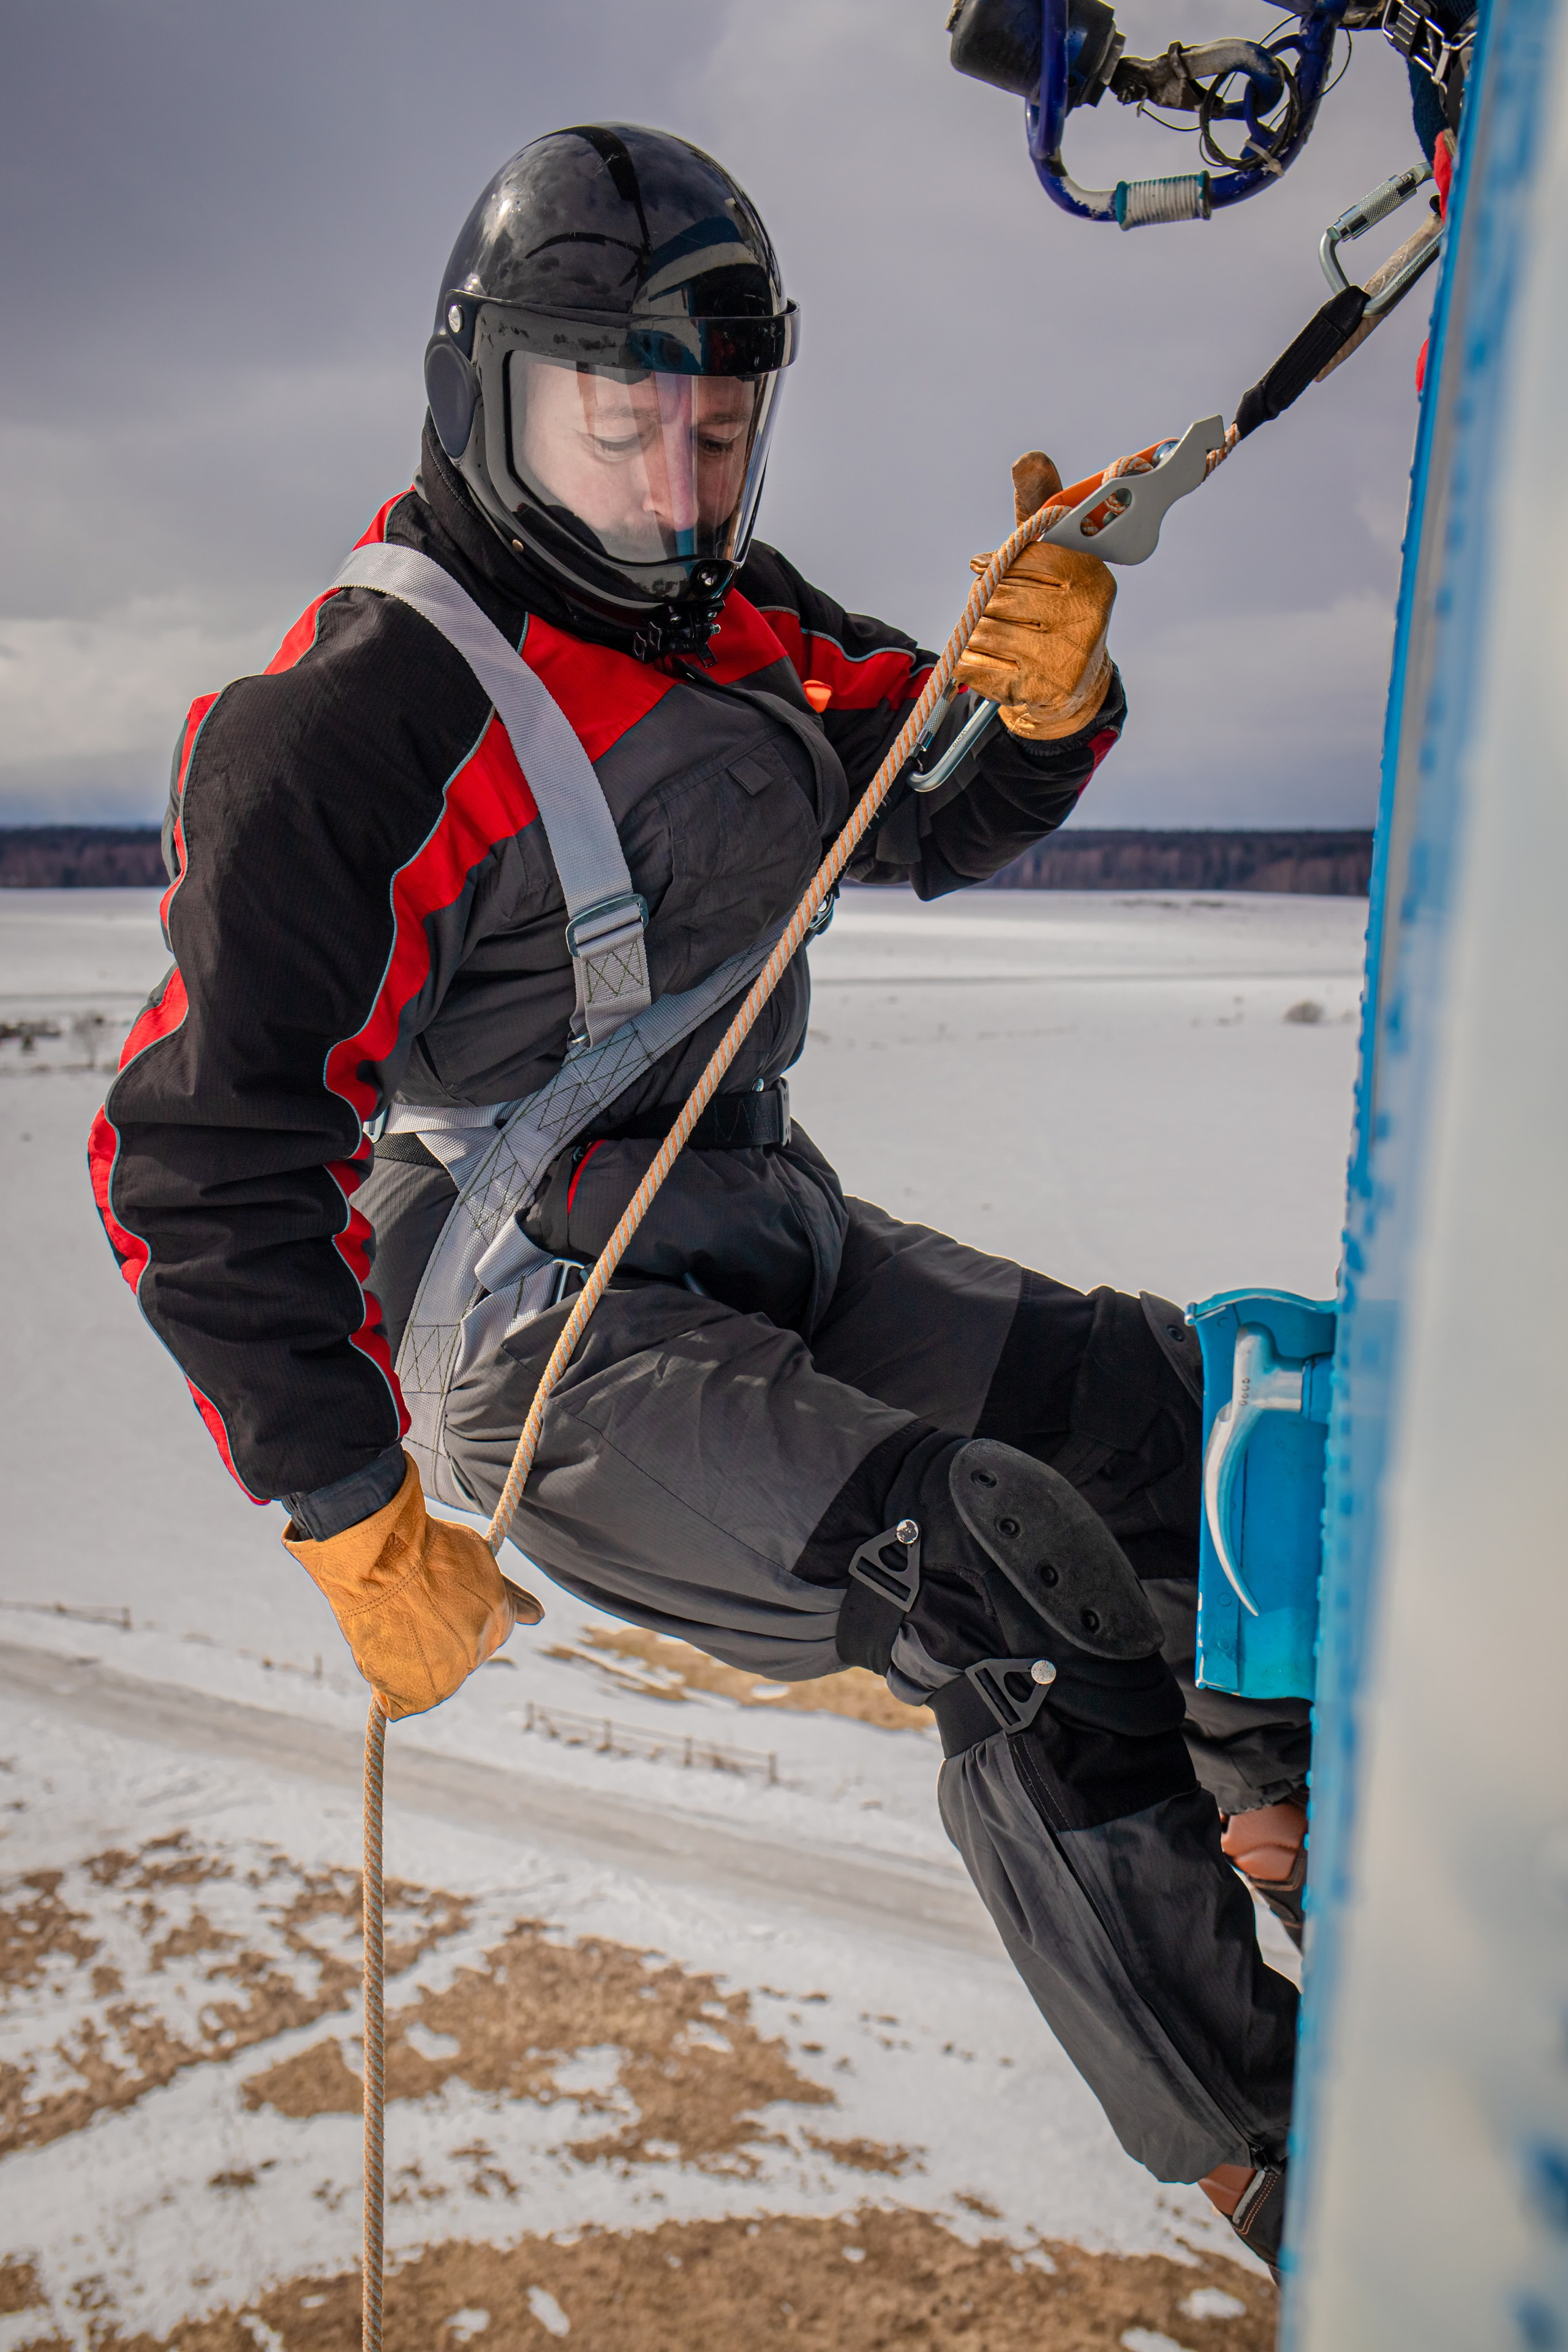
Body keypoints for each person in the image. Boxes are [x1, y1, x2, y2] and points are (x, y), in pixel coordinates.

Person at [89, 123, 1304, 2268]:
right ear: (489, 398)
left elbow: (909, 811)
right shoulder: (350, 726)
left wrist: (1043, 692)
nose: (672, 484)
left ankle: (1281, 1807)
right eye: (615, 423)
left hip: (754, 1228)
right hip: (547, 1336)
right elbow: (195, 1151)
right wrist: (346, 1509)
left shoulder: (729, 620)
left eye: (719, 429)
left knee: (1166, 1416)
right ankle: (1270, 2137)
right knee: (994, 1578)